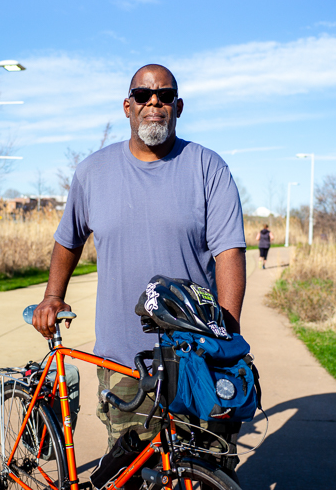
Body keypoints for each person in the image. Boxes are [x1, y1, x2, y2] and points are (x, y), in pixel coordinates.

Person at [32, 64, 246, 480]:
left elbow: (229, 254)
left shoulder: (207, 167)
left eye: (165, 96)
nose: (154, 103)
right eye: (144, 95)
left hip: (194, 357)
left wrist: (228, 334)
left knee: (202, 468)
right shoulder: (92, 172)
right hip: (122, 360)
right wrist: (52, 296)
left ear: (178, 107)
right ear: (127, 106)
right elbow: (68, 239)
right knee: (128, 474)